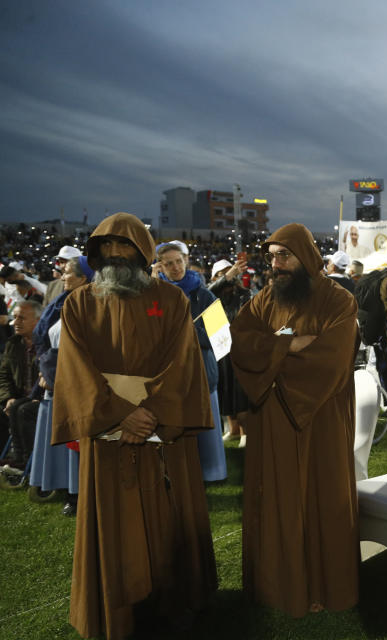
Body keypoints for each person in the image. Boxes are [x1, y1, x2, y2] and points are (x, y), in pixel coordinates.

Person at [51, 212, 217, 639]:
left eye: (125, 247)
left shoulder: (173, 300)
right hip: (110, 438)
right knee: (115, 530)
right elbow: (75, 369)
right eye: (106, 247)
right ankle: (117, 606)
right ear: (95, 253)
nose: (115, 255)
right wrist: (121, 413)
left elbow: (183, 363)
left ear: (143, 252)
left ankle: (173, 604)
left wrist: (151, 412)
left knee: (168, 520)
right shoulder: (79, 303)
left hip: (162, 434)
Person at [230, 223, 361, 617]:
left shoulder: (338, 300)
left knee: (322, 499)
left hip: (321, 418)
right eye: (271, 257)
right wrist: (287, 344)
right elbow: (239, 339)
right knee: (276, 499)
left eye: (283, 255)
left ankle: (324, 587)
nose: (276, 264)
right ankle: (275, 587)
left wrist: (272, 356)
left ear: (305, 257)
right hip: (272, 419)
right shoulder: (267, 298)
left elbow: (332, 358)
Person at [156, 241, 227, 482]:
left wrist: (190, 333)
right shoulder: (156, 295)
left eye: (178, 261)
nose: (175, 267)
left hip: (201, 373)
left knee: (206, 428)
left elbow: (222, 336)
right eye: (169, 263)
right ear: (160, 267)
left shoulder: (204, 294)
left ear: (186, 260)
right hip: (167, 376)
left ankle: (211, 473)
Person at [28, 257, 93, 515]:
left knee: (75, 440)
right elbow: (45, 339)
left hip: (72, 383)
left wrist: (53, 371)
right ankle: (66, 488)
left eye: (67, 273)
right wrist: (46, 369)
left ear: (83, 279)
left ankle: (78, 493)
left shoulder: (91, 305)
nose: (62, 276)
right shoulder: (61, 302)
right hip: (53, 378)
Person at [209, 257, 251, 446]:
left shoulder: (244, 294)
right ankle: (233, 429)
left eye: (229, 272)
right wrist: (225, 277)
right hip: (220, 349)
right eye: (221, 275)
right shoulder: (209, 296)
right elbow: (205, 295)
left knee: (241, 392)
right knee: (225, 390)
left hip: (240, 348)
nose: (228, 277)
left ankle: (245, 432)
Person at [0, 300, 41, 478]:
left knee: (23, 410)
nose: (15, 322)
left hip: (43, 398)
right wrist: (7, 397)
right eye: (14, 317)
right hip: (19, 397)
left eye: (21, 318)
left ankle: (28, 461)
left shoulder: (46, 343)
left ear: (38, 321)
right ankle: (16, 458)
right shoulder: (13, 344)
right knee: (14, 406)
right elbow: (3, 375)